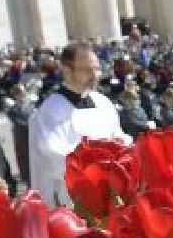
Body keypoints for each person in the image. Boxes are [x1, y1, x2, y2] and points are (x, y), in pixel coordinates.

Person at [32, 43, 127, 208]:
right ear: (67, 70)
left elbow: (117, 137)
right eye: (87, 70)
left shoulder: (103, 102)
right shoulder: (51, 109)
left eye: (97, 68)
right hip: (75, 199)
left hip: (112, 193)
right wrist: (92, 173)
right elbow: (52, 156)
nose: (95, 75)